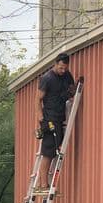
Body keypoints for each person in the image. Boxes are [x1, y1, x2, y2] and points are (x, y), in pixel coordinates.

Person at [35, 53, 76, 192]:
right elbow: (38, 100)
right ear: (55, 64)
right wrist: (41, 119)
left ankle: (44, 183)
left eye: (65, 68)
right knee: (48, 151)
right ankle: (42, 185)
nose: (62, 71)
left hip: (59, 117)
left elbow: (72, 89)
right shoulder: (47, 79)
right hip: (49, 119)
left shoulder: (67, 75)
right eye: (60, 68)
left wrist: (71, 93)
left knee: (56, 147)